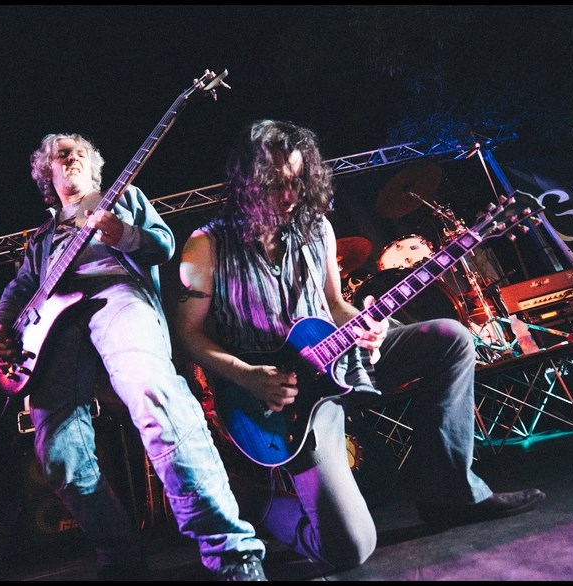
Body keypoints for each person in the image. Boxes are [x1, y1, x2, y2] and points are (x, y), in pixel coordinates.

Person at [174, 120, 545, 572]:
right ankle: (257, 501)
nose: (289, 195)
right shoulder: (207, 245)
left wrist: (371, 326)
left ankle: (449, 494)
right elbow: (188, 332)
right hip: (279, 398)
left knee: (451, 339)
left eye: (297, 181)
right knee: (348, 550)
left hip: (338, 360)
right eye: (274, 184)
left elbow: (334, 305)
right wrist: (246, 375)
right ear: (245, 182)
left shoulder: (317, 229)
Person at [0, 133, 267, 581]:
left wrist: (124, 233)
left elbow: (163, 245)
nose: (72, 158)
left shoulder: (124, 198)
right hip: (53, 329)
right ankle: (119, 556)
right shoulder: (41, 239)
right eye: (61, 154)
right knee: (56, 451)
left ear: (94, 166)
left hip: (117, 294)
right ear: (46, 172)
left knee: (152, 392)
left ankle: (231, 551)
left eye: (80, 152)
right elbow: (19, 289)